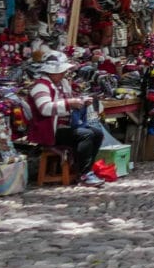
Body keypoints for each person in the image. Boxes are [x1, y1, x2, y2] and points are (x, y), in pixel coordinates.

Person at [28, 51, 107, 185]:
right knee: (86, 135)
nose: (64, 73)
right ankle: (83, 174)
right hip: (48, 131)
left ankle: (86, 169)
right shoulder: (41, 86)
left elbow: (68, 100)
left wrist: (79, 101)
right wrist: (69, 103)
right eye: (61, 71)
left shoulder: (62, 83)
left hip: (64, 126)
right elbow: (45, 108)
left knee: (97, 133)